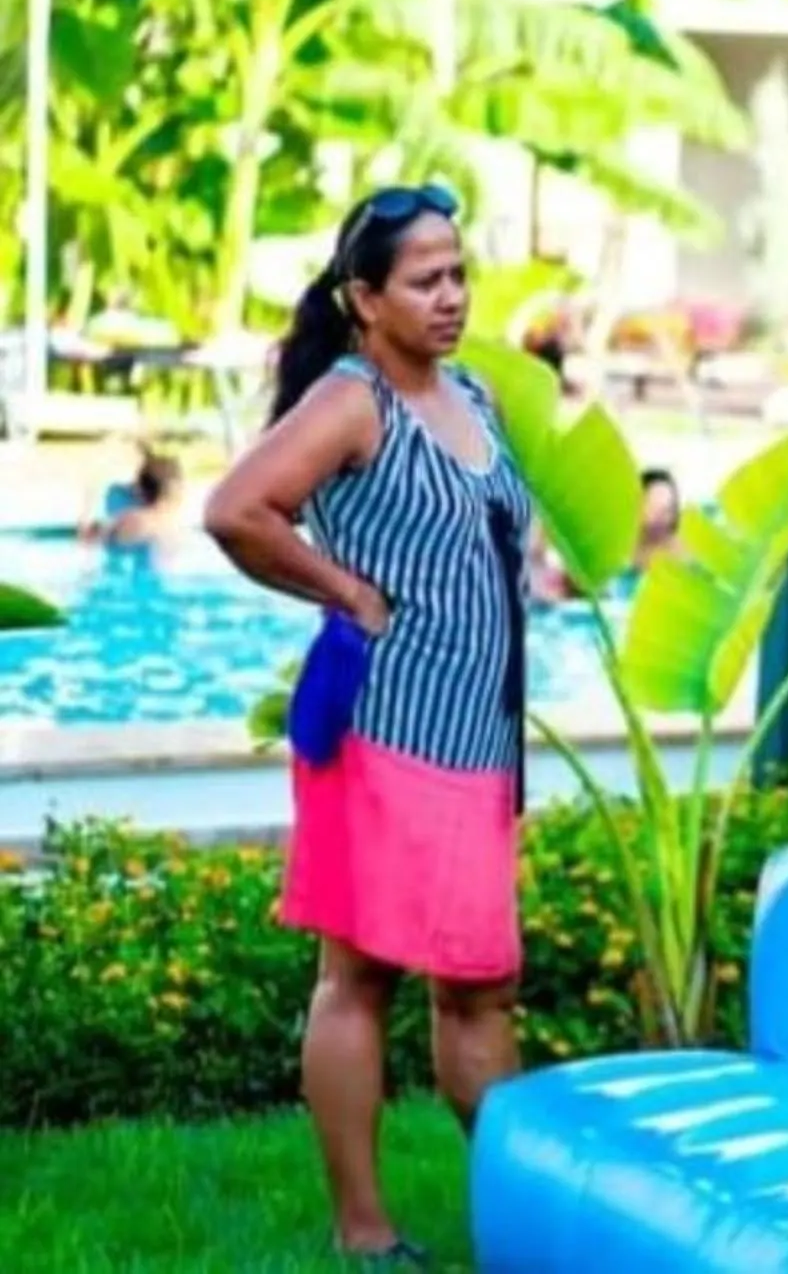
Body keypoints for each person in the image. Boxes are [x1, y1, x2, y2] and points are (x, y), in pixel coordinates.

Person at [201, 183, 535, 1264]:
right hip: (385, 735)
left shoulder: (472, 394)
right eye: (424, 280)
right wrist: (348, 593)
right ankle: (364, 1231)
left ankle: (529, 1210)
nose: (450, 296)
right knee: (362, 977)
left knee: (480, 979)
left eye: (458, 273)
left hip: (476, 742)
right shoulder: (354, 403)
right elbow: (235, 510)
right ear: (364, 297)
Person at [80, 445, 183, 552]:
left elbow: (87, 538)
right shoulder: (175, 525)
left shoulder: (131, 520)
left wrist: (90, 493)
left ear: (139, 490)